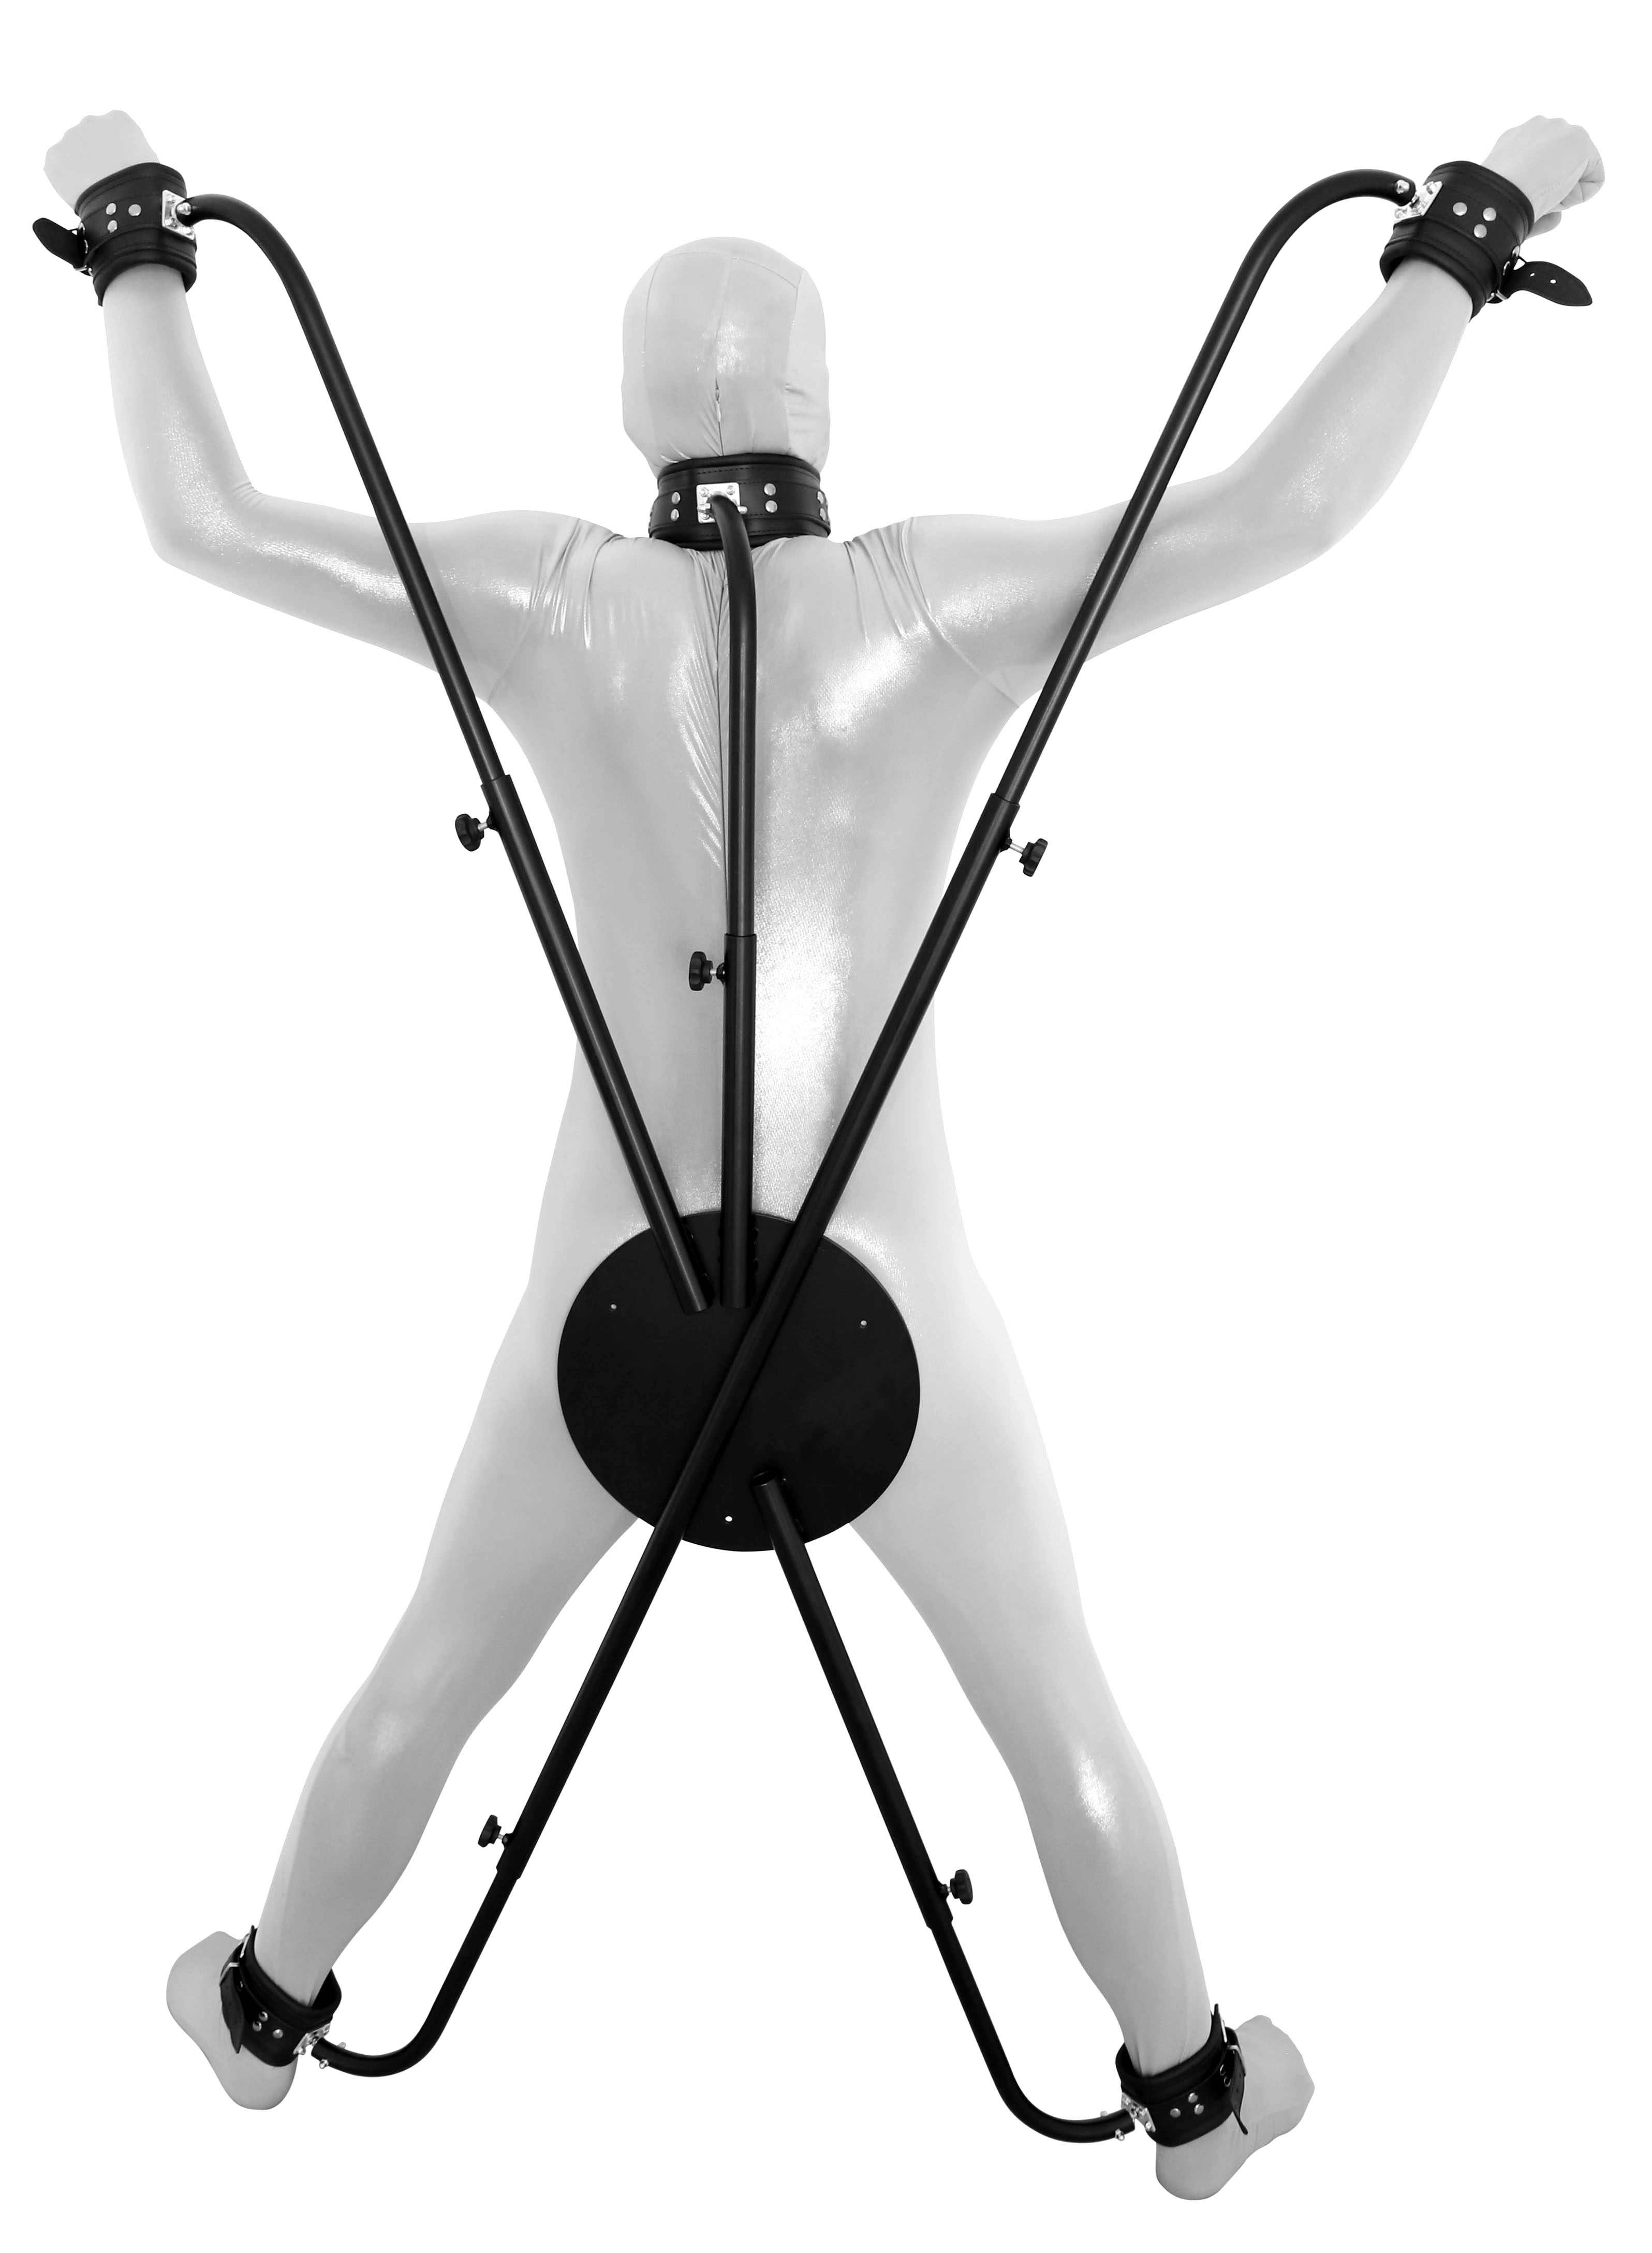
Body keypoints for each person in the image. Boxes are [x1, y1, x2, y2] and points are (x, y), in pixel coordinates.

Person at [42, 108, 1602, 2197]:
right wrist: (1463, 242)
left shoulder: (544, 592)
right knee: (1054, 1700)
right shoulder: (931, 595)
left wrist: (135, 242)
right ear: (823, 402)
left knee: (436, 1661)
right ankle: (1196, 2097)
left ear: (634, 408)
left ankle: (262, 2012)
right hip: (892, 1319)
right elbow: (1280, 509)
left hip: (615, 1318)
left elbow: (208, 518)